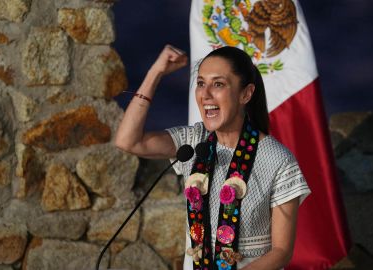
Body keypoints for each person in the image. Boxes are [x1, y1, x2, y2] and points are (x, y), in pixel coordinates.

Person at [115, 45, 311, 270]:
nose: (205, 94)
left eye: (218, 84)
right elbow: (128, 141)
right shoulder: (193, 141)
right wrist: (155, 72)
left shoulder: (278, 160)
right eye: (200, 83)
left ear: (246, 94)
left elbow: (281, 252)